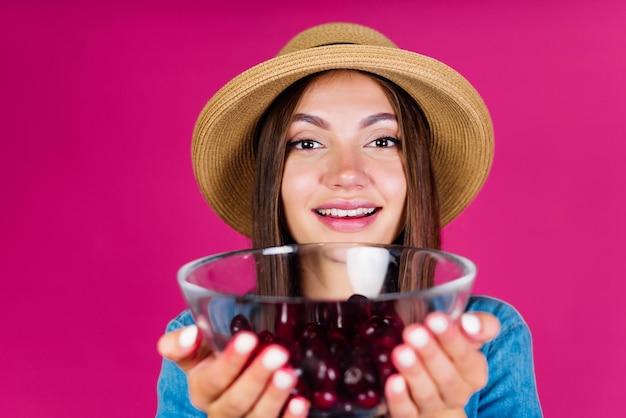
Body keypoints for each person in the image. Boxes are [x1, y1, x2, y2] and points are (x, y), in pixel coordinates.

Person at [156, 23, 542, 417]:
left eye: (383, 140)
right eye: (307, 142)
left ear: (416, 174)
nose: (346, 172)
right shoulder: (208, 341)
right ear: (274, 176)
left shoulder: (487, 336)